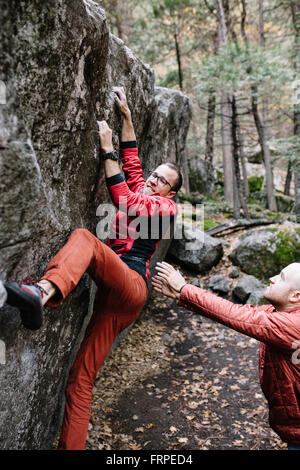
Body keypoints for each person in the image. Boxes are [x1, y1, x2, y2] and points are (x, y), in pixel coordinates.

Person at [4, 87, 183, 450]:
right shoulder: (146, 189)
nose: (153, 179)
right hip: (116, 297)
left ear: (171, 193)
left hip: (131, 283)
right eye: (155, 174)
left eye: (163, 180)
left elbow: (124, 199)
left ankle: (41, 293)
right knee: (80, 380)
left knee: (86, 238)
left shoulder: (165, 210)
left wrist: (106, 149)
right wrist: (127, 117)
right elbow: (132, 164)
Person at [152, 261, 300, 449]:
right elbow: (235, 313)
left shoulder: (293, 325)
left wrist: (184, 288)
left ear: (296, 296)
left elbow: (239, 316)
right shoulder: (281, 314)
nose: (272, 279)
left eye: (281, 277)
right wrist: (182, 295)